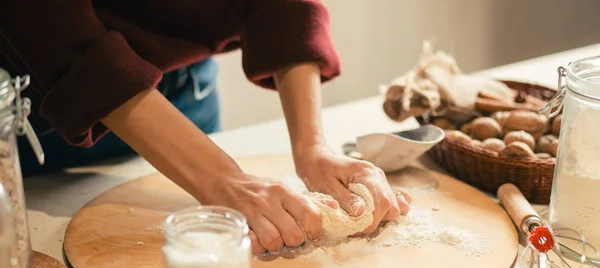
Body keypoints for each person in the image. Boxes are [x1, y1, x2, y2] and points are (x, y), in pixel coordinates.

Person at [1, 0, 411, 254]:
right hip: (43, 110)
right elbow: (46, 23)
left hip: (184, 90)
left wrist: (313, 148)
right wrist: (223, 179)